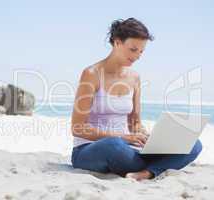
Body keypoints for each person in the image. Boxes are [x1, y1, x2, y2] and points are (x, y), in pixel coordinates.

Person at [70, 18, 203, 181]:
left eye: (141, 51)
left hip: (126, 148)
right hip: (91, 149)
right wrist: (122, 137)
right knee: (113, 145)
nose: (137, 56)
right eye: (133, 49)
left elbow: (134, 122)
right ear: (117, 43)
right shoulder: (91, 74)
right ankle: (156, 166)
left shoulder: (134, 77)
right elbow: (78, 128)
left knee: (194, 144)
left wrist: (146, 136)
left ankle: (146, 173)